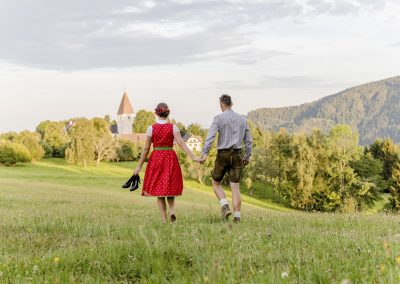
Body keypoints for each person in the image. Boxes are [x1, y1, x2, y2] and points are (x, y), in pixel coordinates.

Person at [133, 103, 199, 224]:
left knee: (160, 191)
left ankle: (164, 220)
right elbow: (181, 143)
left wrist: (139, 166)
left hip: (156, 159)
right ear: (168, 113)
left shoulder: (151, 128)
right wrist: (193, 156)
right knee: (169, 187)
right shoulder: (173, 127)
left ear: (156, 113)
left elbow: (146, 149)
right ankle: (172, 210)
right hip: (170, 157)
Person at [200, 95, 253, 223]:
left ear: (221, 105)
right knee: (235, 187)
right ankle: (237, 217)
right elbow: (249, 140)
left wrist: (205, 153)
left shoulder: (218, 118)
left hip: (222, 155)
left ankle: (225, 206)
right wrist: (247, 156)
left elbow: (210, 136)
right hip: (237, 155)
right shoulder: (242, 119)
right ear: (231, 103)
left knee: (216, 183)